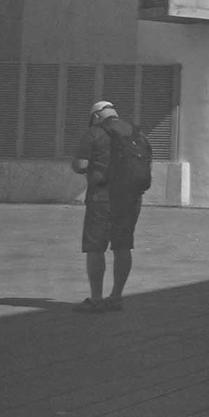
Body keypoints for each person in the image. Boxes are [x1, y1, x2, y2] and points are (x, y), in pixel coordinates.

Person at [70, 95, 152, 308]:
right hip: (131, 199)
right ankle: (116, 297)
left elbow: (81, 165)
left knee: (96, 248)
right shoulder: (137, 134)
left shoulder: (95, 133)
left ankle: (96, 299)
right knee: (123, 246)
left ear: (96, 116)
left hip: (102, 198)